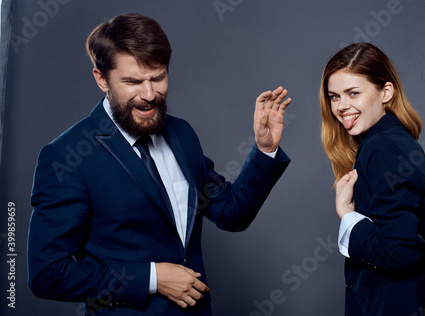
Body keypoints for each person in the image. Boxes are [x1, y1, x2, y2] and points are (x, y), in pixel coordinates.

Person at [28, 13, 291, 315]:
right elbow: (47, 274)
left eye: (158, 77)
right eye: (132, 82)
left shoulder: (181, 134)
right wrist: (152, 278)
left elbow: (232, 214)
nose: (149, 95)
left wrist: (265, 149)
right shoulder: (66, 157)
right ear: (102, 79)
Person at [319, 43, 425, 315]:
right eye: (334, 96)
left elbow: (399, 252)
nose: (342, 106)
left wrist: (347, 216)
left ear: (385, 92)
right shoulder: (392, 142)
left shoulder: (383, 147)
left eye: (353, 93)